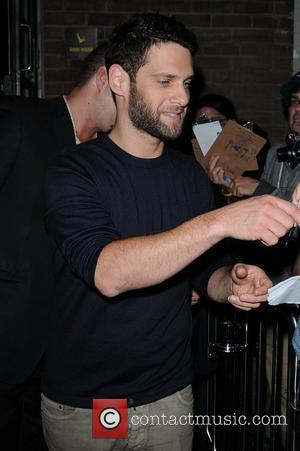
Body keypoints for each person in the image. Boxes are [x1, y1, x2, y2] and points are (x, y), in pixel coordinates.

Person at [41, 13, 300, 451]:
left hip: (170, 395)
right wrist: (222, 221)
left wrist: (232, 280)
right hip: (92, 402)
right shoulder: (74, 171)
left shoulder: (189, 177)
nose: (182, 97)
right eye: (165, 81)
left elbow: (203, 272)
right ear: (118, 81)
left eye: (186, 82)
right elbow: (109, 272)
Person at [0, 42, 116, 451]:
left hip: (65, 354)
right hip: (10, 339)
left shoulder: (106, 155)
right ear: (104, 78)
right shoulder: (19, 120)